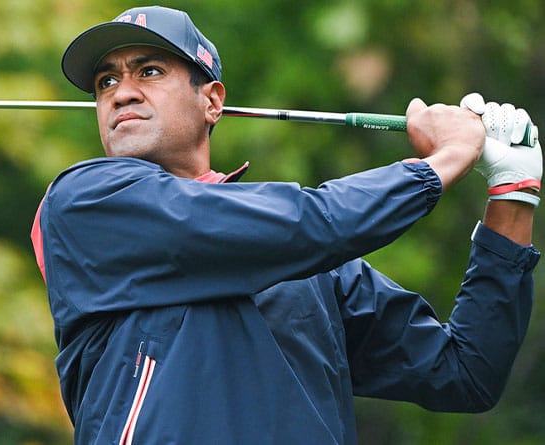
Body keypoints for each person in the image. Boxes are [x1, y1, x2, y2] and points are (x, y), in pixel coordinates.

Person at [31, 6, 541, 444]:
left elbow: (466, 372)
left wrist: (512, 196)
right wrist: (446, 159)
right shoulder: (86, 201)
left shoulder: (313, 268)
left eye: (148, 72)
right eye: (106, 81)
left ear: (212, 101)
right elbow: (312, 224)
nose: (121, 93)